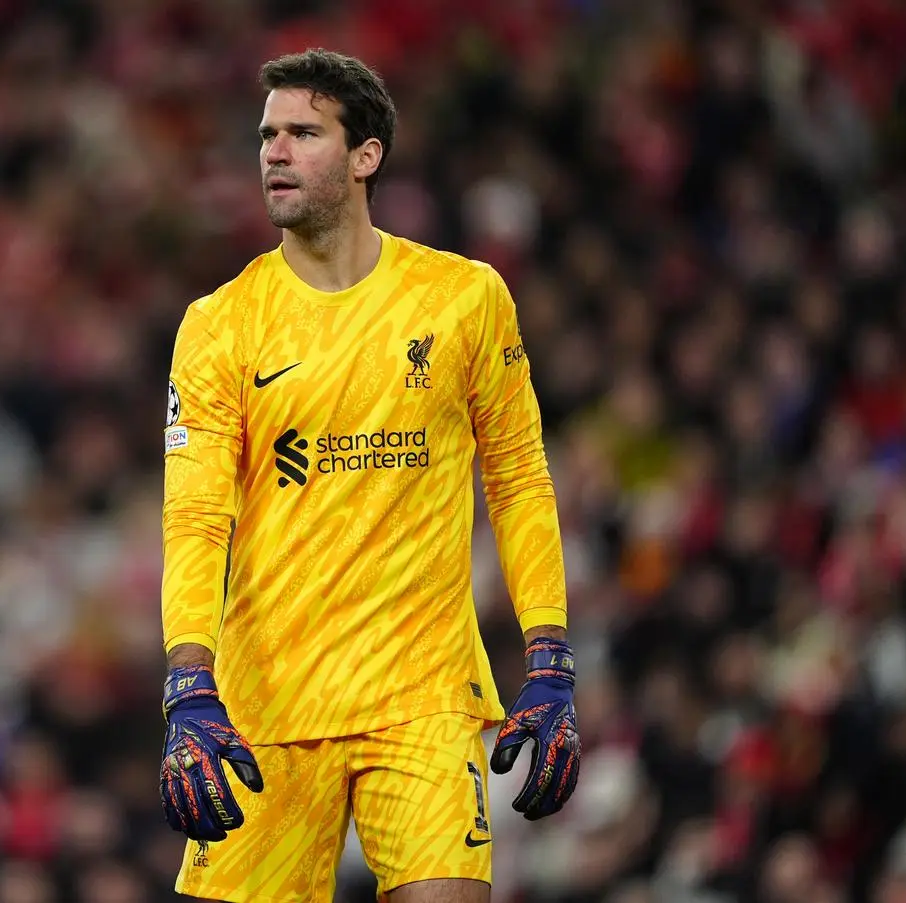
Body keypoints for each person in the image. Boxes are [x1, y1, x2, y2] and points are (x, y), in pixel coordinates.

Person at [159, 48, 580, 903]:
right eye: (267, 135)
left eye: (303, 133)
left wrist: (549, 657)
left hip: (420, 692)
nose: (274, 152)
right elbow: (197, 517)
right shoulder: (218, 326)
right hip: (269, 700)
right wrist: (188, 681)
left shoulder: (463, 298)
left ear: (366, 155)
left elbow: (519, 479)